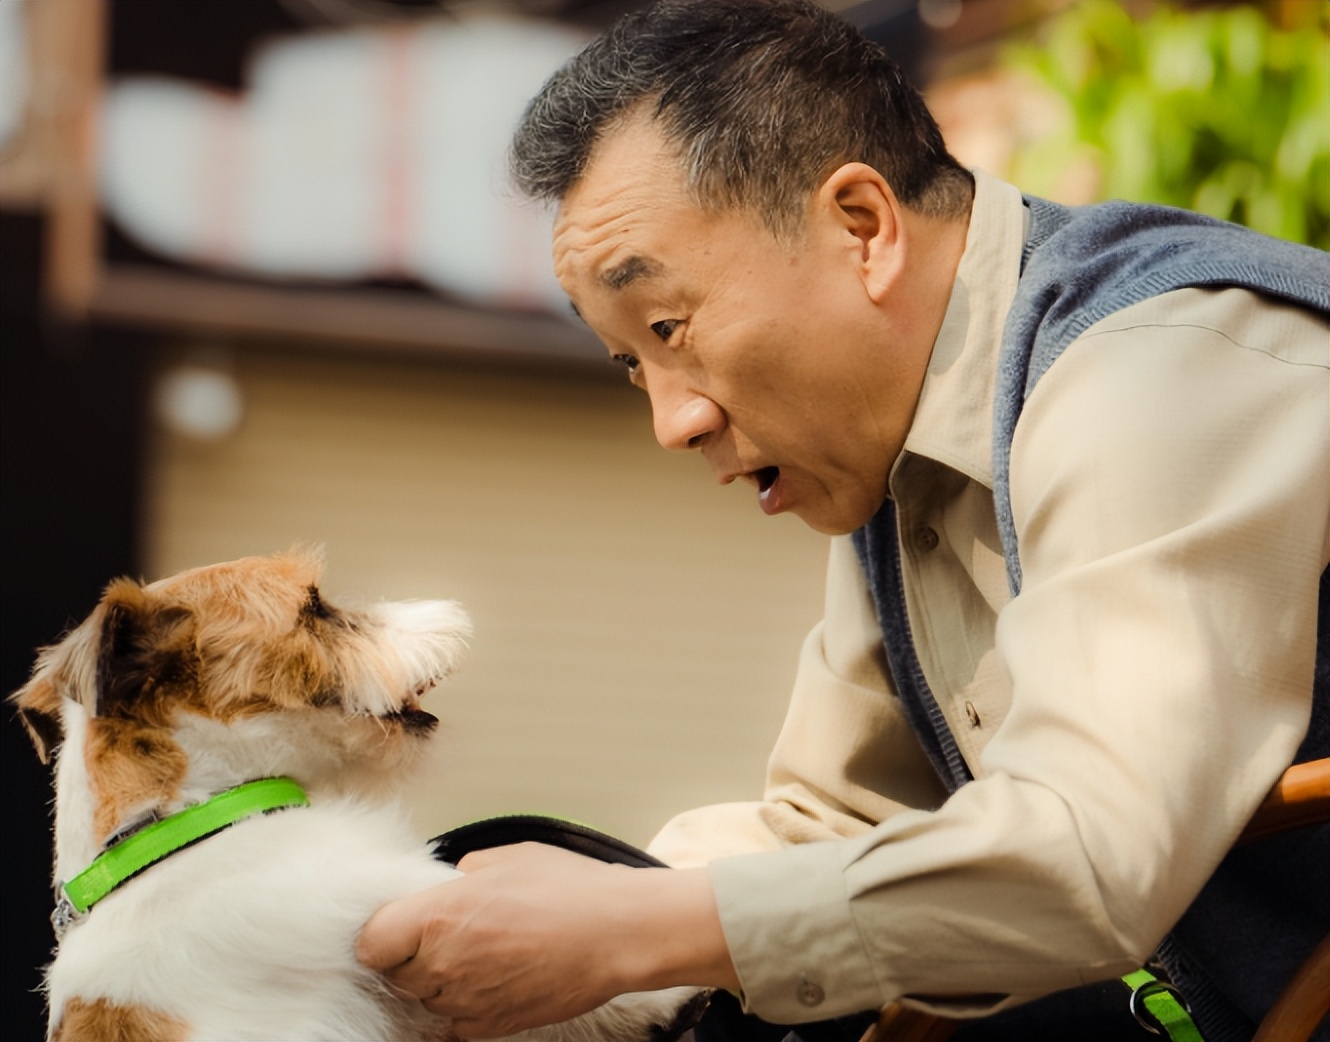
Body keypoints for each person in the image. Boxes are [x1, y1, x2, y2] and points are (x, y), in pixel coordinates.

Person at [355, 2, 1330, 1040]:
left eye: (671, 327)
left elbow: (1086, 851)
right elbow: (833, 826)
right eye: (632, 361)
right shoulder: (891, 455)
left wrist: (632, 926)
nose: (672, 421)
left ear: (861, 226)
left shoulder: (1160, 367)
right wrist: (470, 927)